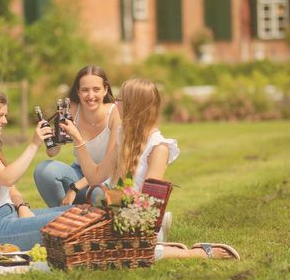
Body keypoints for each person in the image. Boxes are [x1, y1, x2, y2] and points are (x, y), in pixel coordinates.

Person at [61, 78, 240, 260]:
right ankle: (158, 244)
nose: (114, 103)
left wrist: (107, 199)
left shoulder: (158, 147)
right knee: (71, 239)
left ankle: (197, 253)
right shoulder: (123, 135)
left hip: (133, 220)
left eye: (120, 99)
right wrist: (78, 139)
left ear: (133, 105)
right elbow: (94, 177)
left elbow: (148, 206)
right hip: (110, 213)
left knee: (106, 253)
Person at [0, 89, 69, 251]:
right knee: (67, 221)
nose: (5, 121)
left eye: (5, 115)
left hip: (10, 215)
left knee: (76, 211)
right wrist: (34, 144)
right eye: (0, 115)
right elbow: (7, 178)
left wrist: (22, 206)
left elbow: (10, 187)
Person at [33, 65, 121, 207]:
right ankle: (62, 218)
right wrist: (53, 136)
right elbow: (52, 152)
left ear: (105, 90)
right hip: (79, 172)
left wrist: (75, 188)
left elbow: (107, 169)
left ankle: (86, 217)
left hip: (106, 178)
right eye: (85, 90)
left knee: (99, 195)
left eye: (96, 89)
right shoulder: (72, 109)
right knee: (43, 170)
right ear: (78, 92)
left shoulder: (114, 114)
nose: (90, 96)